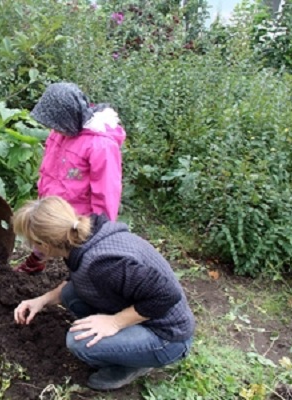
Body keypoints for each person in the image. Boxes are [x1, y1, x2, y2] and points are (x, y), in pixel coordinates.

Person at [12, 196, 195, 391]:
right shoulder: (85, 235)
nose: (31, 248)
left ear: (45, 244)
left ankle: (133, 365)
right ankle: (123, 347)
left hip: (168, 337)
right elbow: (76, 279)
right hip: (148, 314)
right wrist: (42, 300)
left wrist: (114, 322)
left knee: (78, 341)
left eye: (32, 243)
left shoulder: (104, 265)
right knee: (70, 293)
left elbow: (167, 295)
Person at [16, 82, 126, 274]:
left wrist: (103, 229)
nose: (54, 129)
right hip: (54, 204)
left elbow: (107, 191)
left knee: (79, 256)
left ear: (68, 117)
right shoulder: (61, 132)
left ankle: (80, 281)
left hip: (77, 216)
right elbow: (50, 168)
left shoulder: (100, 146)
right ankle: (35, 262)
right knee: (41, 234)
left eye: (56, 125)